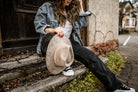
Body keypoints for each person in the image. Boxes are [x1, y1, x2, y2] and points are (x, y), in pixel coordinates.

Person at [34, 0, 135, 91]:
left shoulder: (71, 11)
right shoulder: (47, 7)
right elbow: (38, 24)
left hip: (68, 43)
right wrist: (53, 30)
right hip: (50, 42)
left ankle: (116, 86)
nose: (70, 0)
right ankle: (64, 63)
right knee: (54, 37)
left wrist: (81, 5)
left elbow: (83, 23)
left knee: (91, 56)